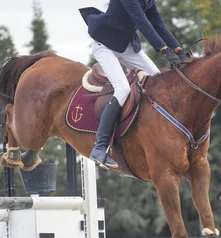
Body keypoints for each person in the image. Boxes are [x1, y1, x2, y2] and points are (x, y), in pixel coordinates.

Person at [79, 1, 187, 169]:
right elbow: (141, 20)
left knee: (158, 79)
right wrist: (165, 50)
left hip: (127, 46)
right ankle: (100, 147)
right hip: (105, 44)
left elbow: (157, 23)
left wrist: (178, 49)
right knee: (123, 88)